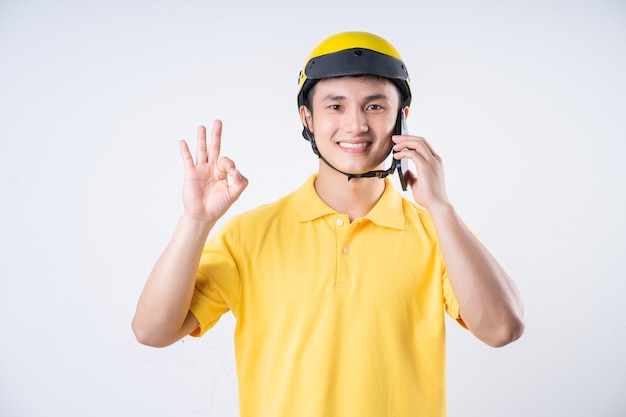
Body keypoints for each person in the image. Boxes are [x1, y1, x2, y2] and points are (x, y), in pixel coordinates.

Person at [132, 31, 524, 417]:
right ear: (308, 117)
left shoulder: (439, 233)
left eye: (374, 106)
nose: (355, 125)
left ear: (401, 118)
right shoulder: (248, 235)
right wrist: (195, 222)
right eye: (336, 107)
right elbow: (153, 331)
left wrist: (439, 205)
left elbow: (502, 329)